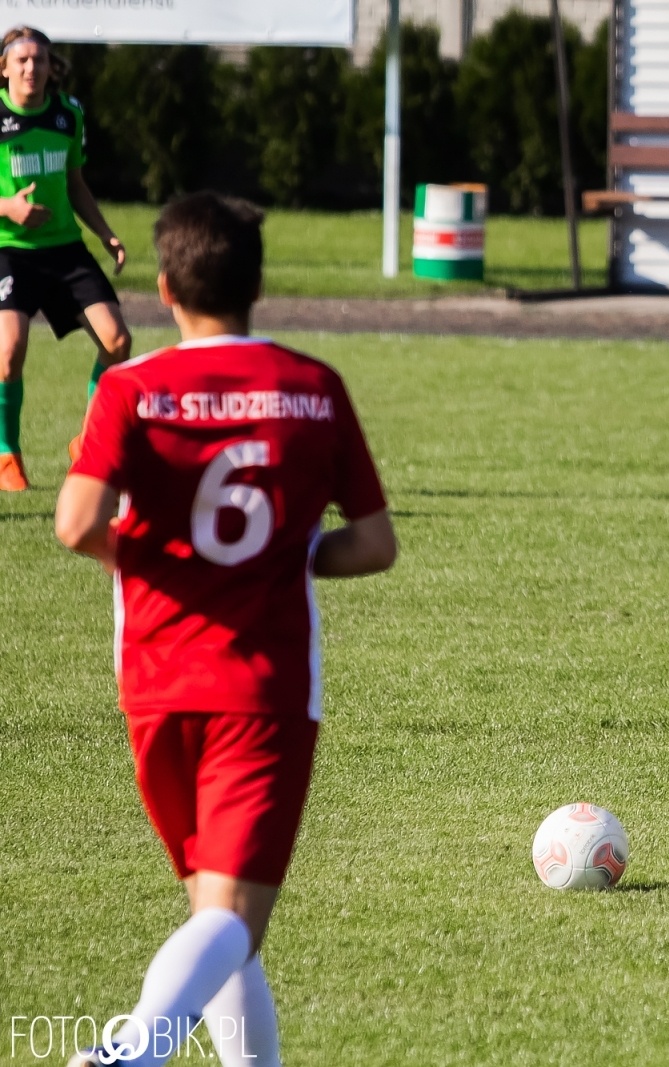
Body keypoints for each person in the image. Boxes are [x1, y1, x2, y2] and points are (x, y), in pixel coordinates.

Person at [56, 192, 397, 1067]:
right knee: (232, 921)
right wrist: (289, 555)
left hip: (155, 682)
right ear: (257, 284)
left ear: (165, 288)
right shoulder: (312, 389)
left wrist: (152, 562)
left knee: (217, 910)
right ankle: (129, 1053)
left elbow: (76, 521)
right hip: (261, 686)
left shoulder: (130, 388)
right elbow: (373, 542)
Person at [0, 25, 130, 491]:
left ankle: (89, 444)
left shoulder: (68, 114)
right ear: (5, 68)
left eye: (41, 60)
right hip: (9, 251)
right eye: (22, 60)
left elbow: (76, 184)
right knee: (8, 352)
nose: (32, 68)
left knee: (117, 342)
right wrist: (10, 208)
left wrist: (106, 233)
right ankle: (6, 455)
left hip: (65, 249)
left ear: (52, 66)